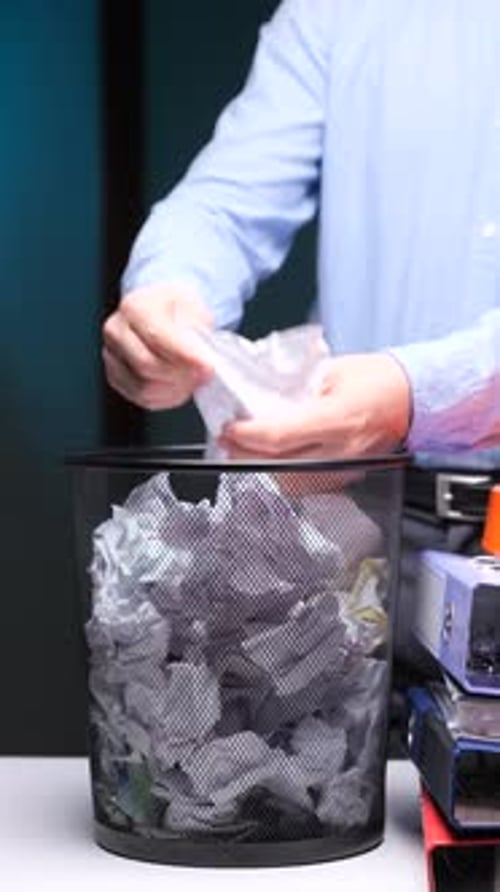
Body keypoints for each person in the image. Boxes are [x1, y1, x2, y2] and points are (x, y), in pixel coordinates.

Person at [102, 0, 500, 664]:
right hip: (355, 523)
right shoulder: (340, 12)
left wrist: (413, 393)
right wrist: (167, 296)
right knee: (306, 753)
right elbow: (227, 204)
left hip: (383, 488)